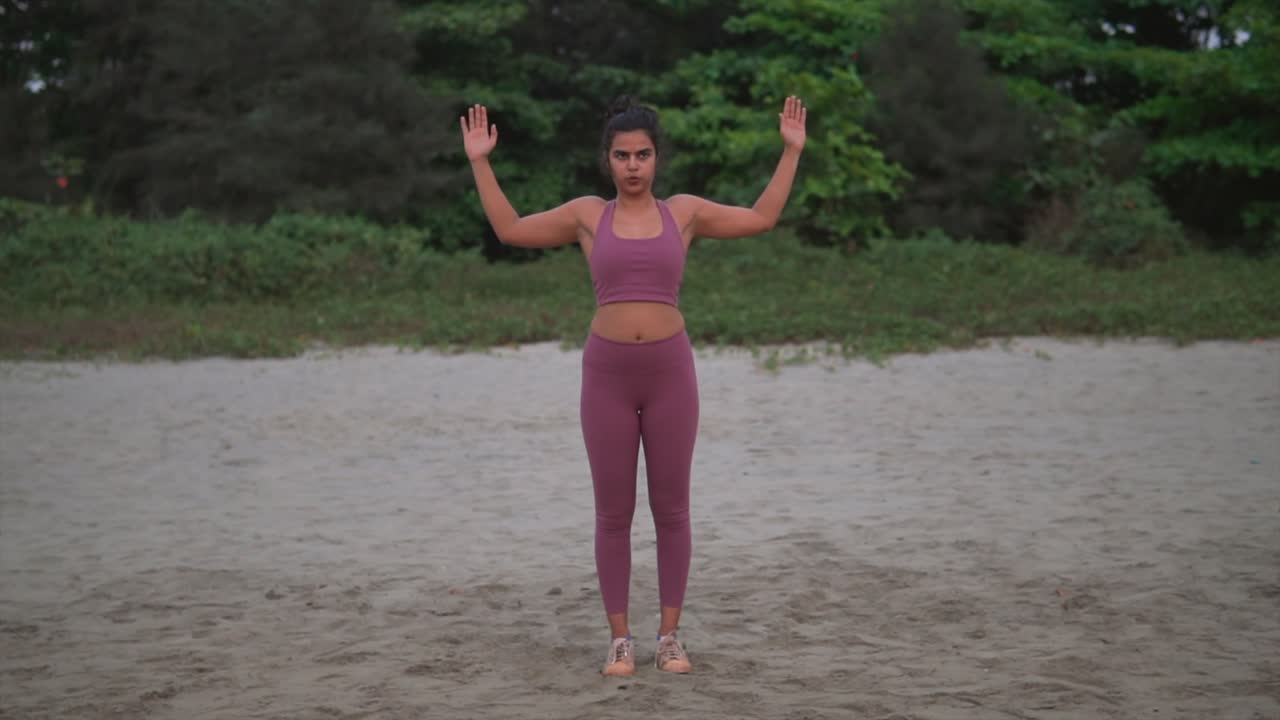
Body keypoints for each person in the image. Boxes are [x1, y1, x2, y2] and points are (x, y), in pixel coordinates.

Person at [460, 94, 807, 677]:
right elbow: (511, 229)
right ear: (608, 160)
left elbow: (762, 218)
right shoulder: (587, 216)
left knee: (672, 510)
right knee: (612, 512)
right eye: (622, 155)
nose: (633, 165)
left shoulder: (686, 213)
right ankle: (620, 640)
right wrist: (480, 162)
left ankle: (669, 636)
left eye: (643, 154)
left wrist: (792, 152)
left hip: (671, 374)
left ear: (656, 158)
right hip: (607, 376)